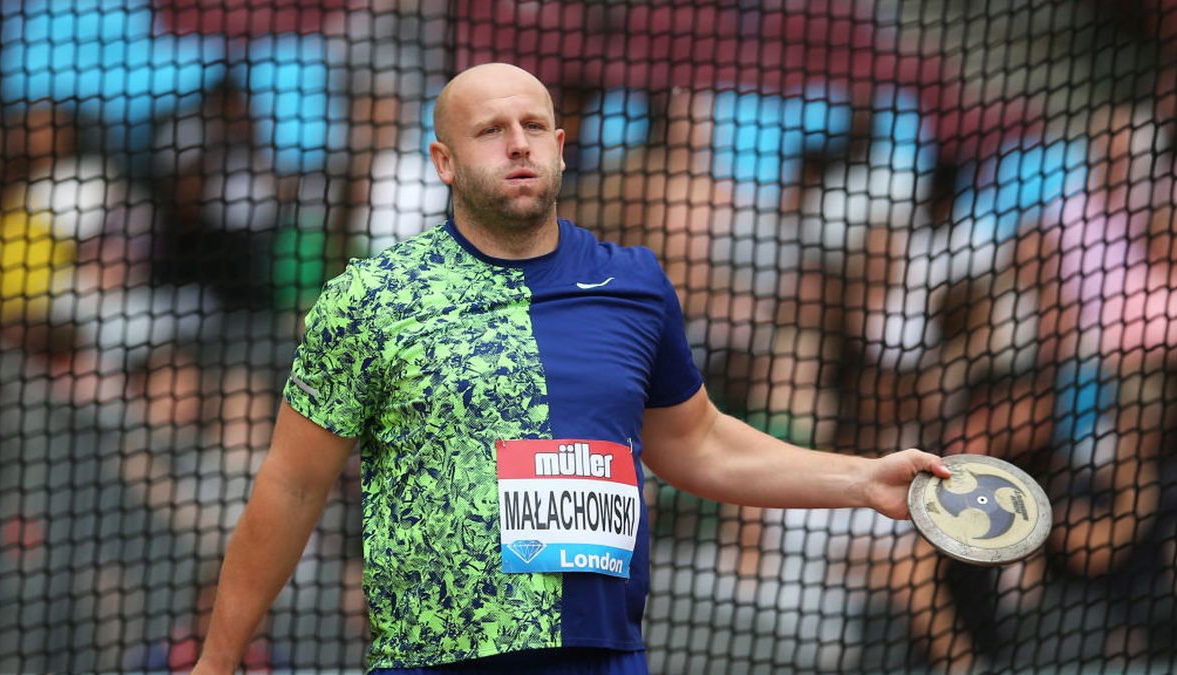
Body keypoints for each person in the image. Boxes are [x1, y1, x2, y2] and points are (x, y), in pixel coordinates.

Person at [192, 62, 950, 674]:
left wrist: (859, 479)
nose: (517, 143)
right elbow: (291, 486)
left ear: (561, 144)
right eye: (491, 131)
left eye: (532, 127)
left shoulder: (635, 282)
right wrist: (217, 663)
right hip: (437, 654)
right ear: (444, 163)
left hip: (602, 653)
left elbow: (699, 441)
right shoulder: (371, 298)